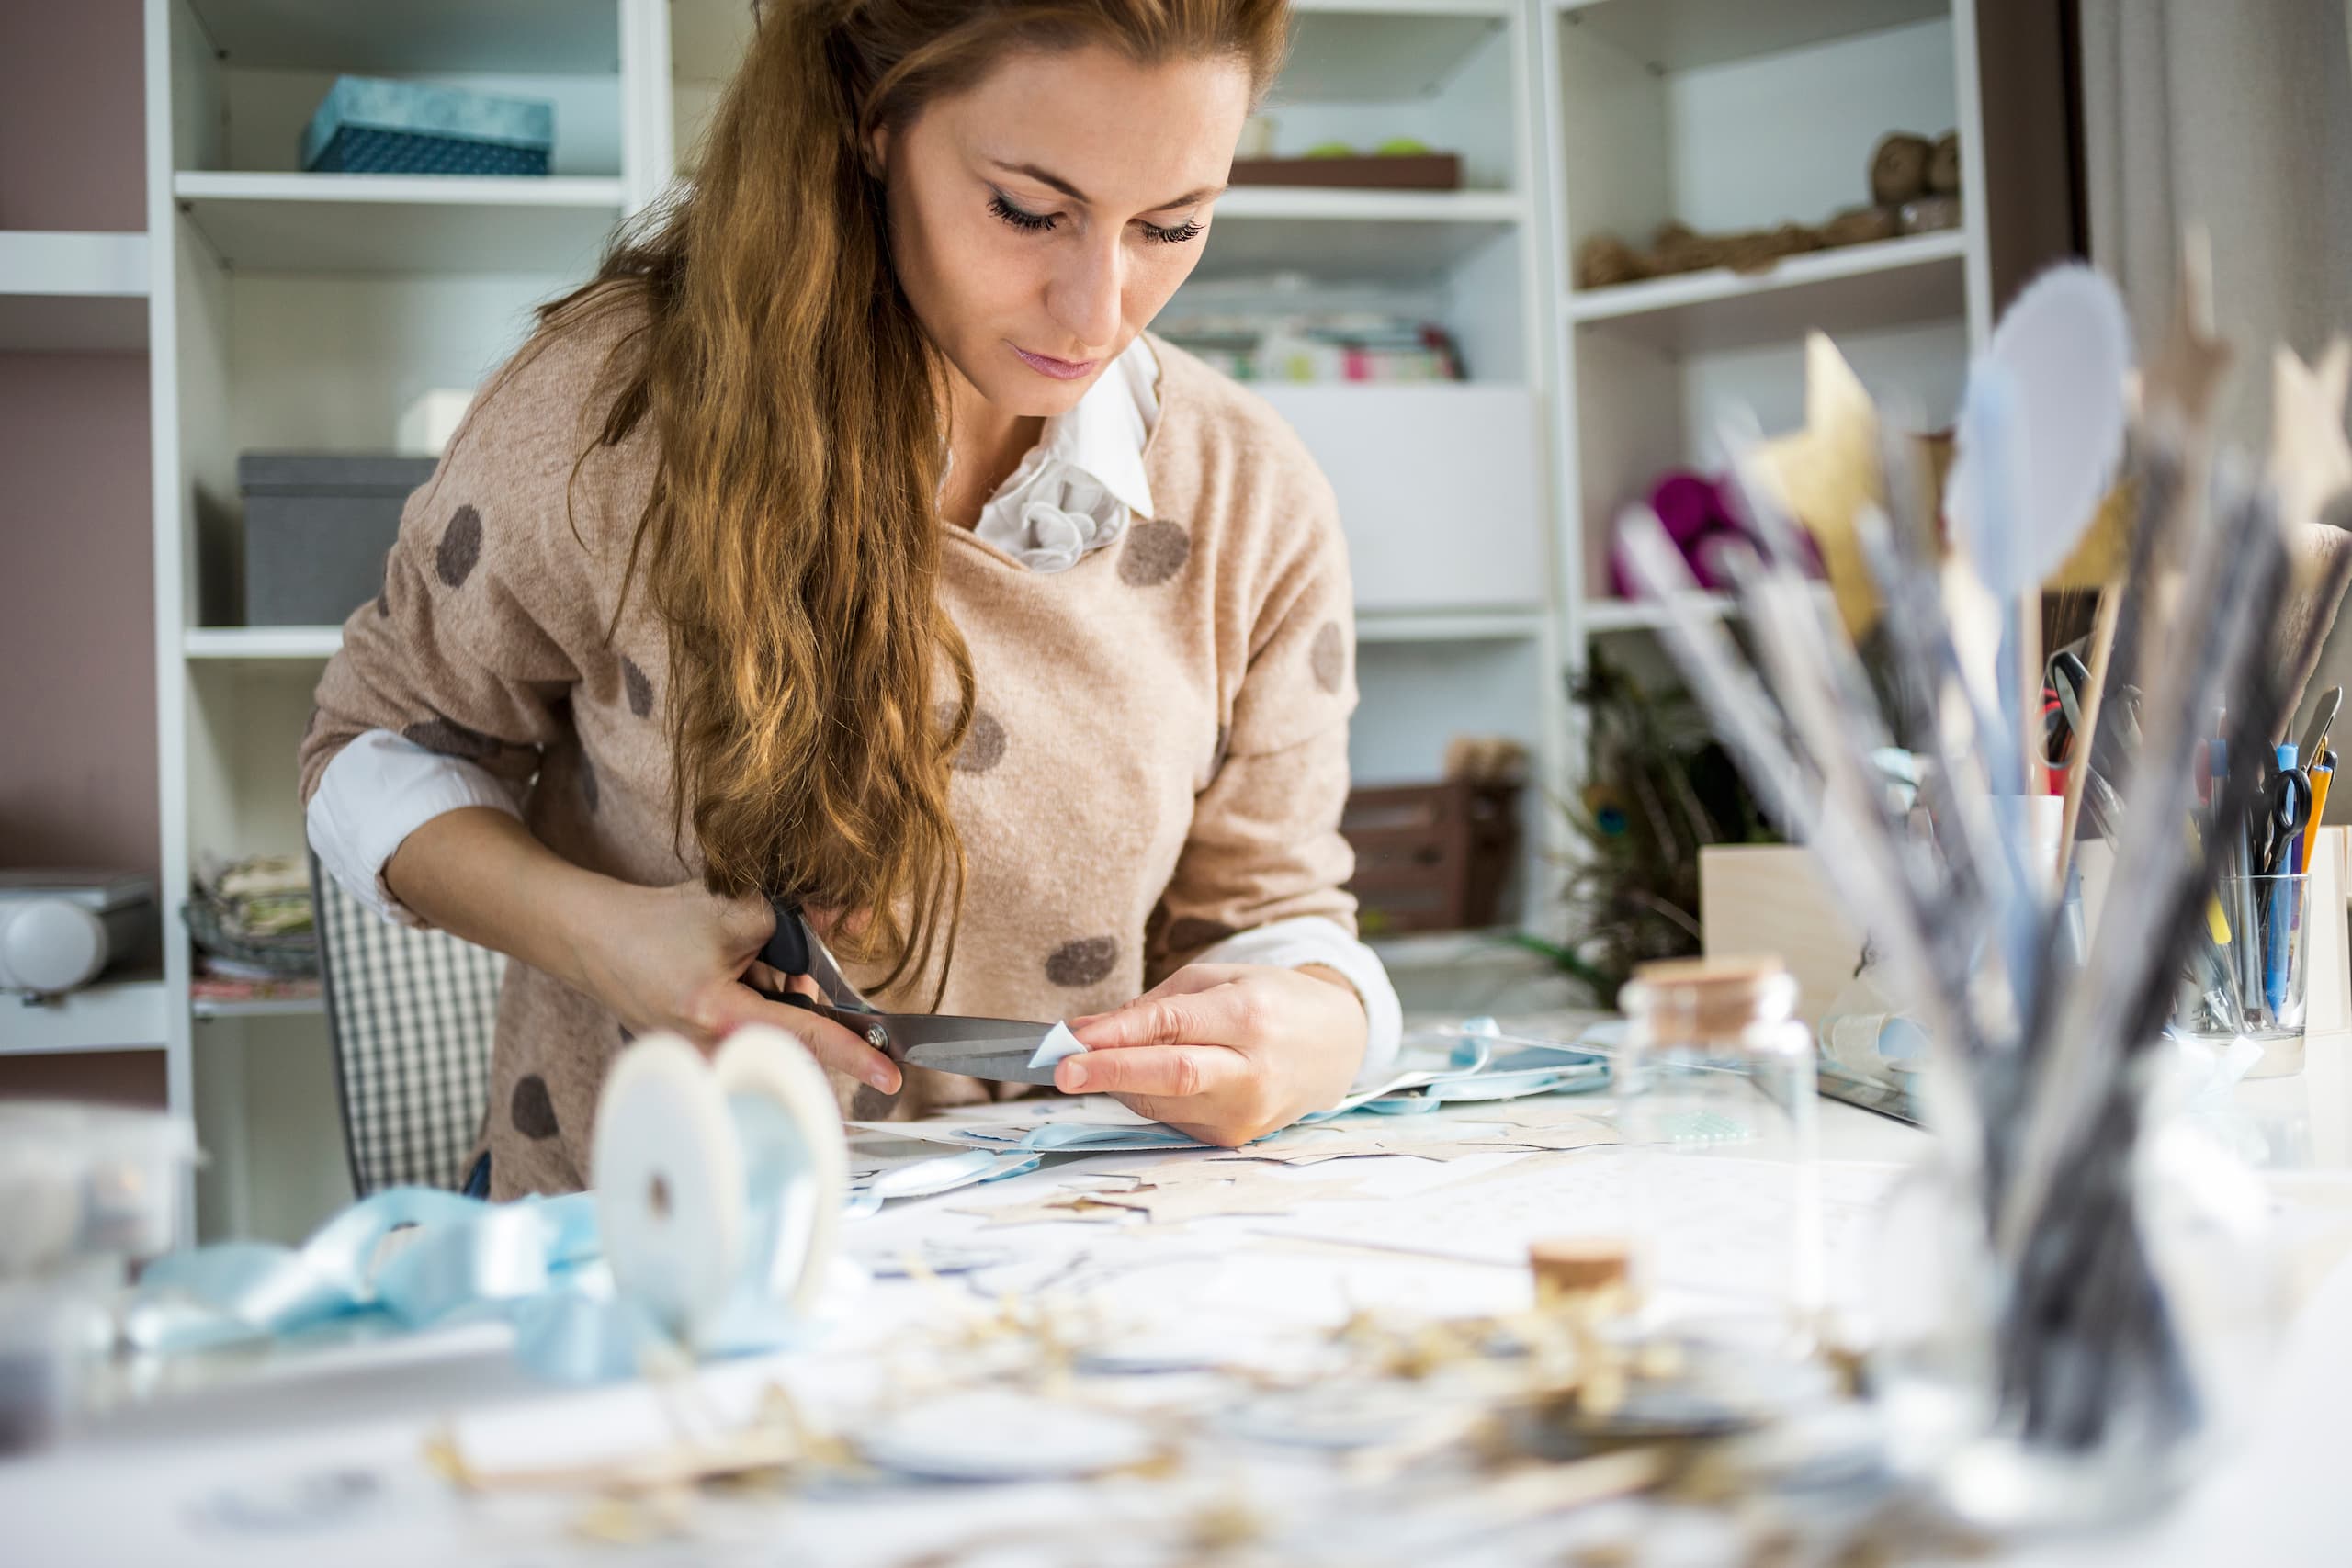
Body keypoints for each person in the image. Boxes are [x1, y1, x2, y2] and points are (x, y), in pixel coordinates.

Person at [300, 0, 1400, 1201]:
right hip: (652, 1249)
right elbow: (370, 753)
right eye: (1031, 212)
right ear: (874, 122)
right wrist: (606, 939)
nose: (1098, 311)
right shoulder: (609, 414)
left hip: (1060, 1269)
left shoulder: (1250, 494)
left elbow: (1278, 916)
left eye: (1173, 225)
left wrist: (1323, 1027)